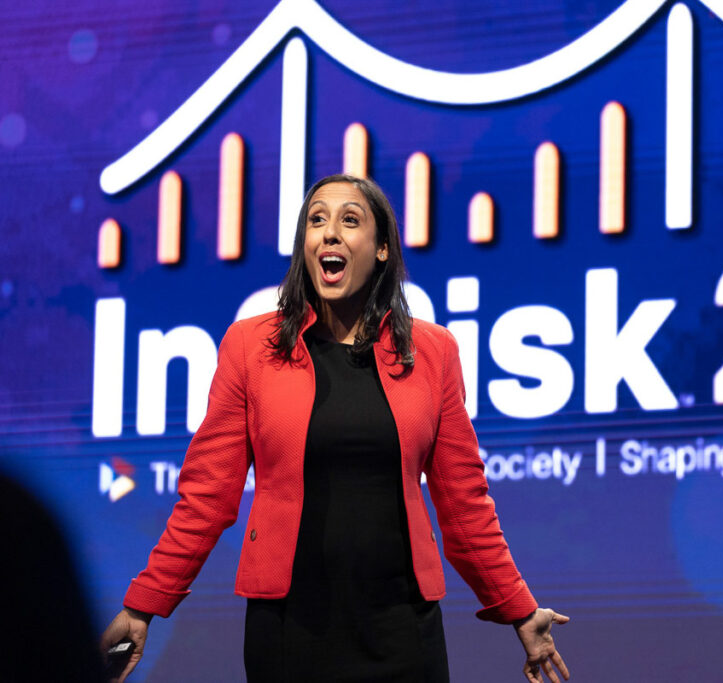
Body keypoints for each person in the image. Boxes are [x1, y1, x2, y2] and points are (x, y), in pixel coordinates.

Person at [100, 174, 570, 682]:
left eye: (350, 220)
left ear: (383, 248)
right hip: (289, 628)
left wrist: (519, 609)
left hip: (403, 629)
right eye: (316, 220)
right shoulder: (250, 347)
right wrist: (144, 604)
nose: (329, 233)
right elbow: (207, 496)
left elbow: (464, 503)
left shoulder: (434, 353)